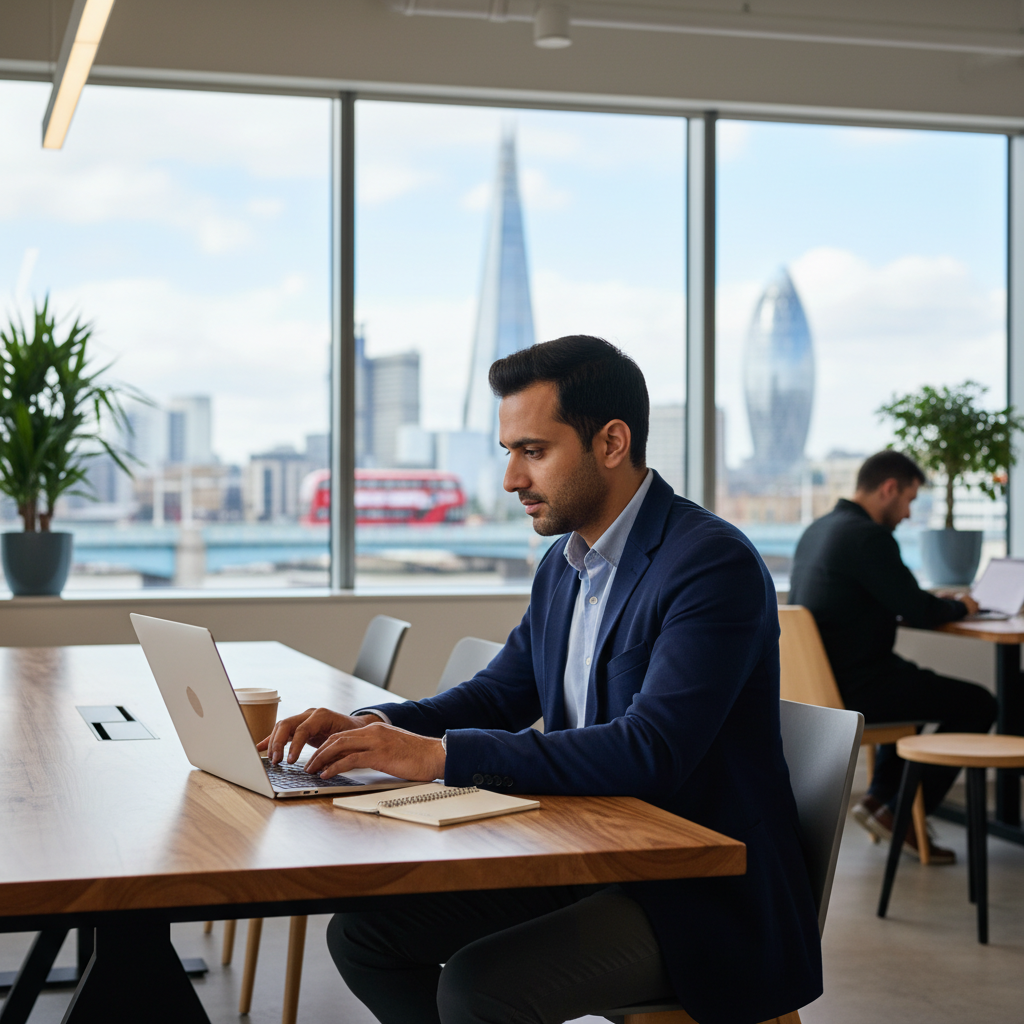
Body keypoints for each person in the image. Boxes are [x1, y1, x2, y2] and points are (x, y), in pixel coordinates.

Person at [261, 336, 822, 1024]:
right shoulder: (566, 564)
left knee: (478, 987)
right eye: (508, 453)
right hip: (588, 850)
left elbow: (651, 750)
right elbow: (500, 694)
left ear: (611, 443)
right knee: (364, 936)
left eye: (533, 451)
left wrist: (436, 757)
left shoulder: (711, 565)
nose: (510, 480)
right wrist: (376, 729)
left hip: (693, 888)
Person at [788, 449, 997, 864]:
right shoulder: (867, 536)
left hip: (820, 684)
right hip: (855, 687)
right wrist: (963, 606)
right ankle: (899, 811)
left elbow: (899, 598)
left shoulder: (820, 529)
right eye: (909, 500)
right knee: (979, 702)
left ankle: (882, 801)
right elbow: (920, 610)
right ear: (889, 489)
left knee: (914, 686)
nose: (907, 513)